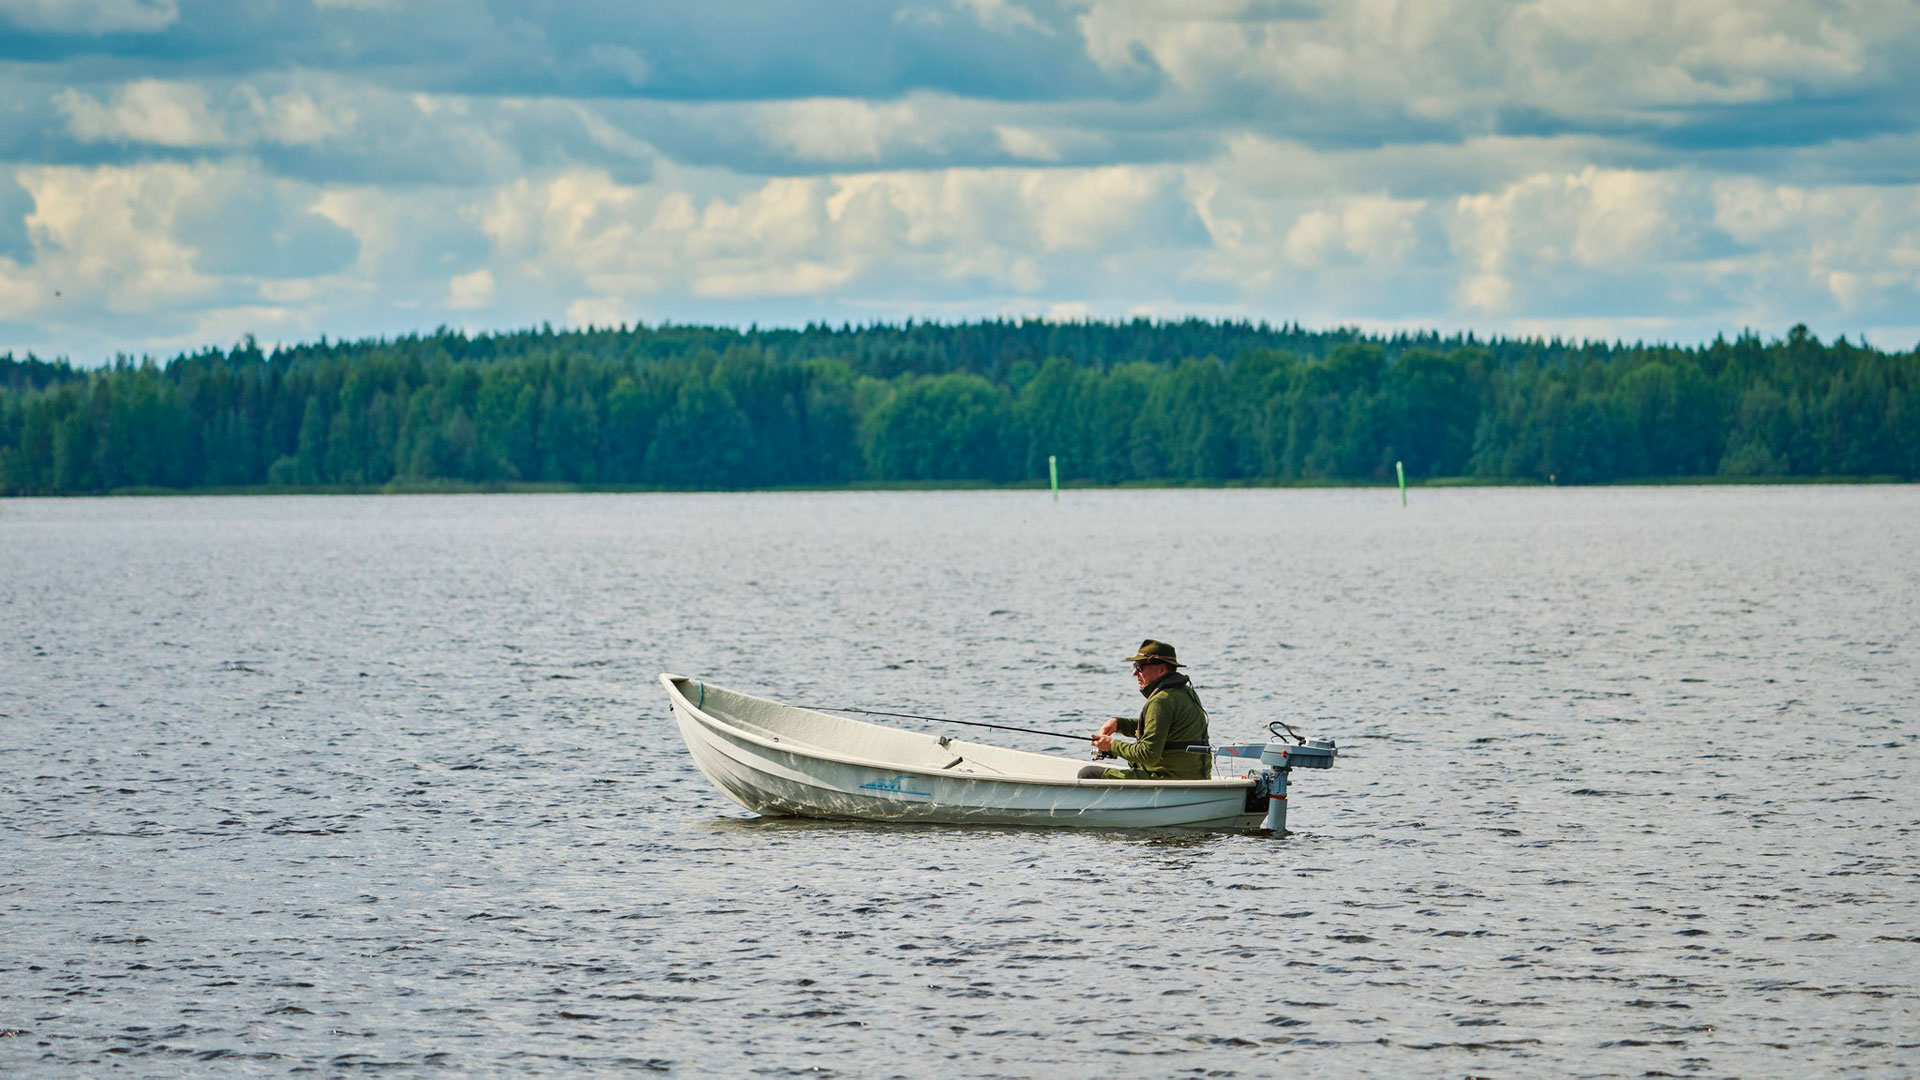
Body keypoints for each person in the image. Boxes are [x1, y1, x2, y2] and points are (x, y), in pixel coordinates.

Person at [1078, 639, 1210, 780]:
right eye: (1135, 666)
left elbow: (1148, 754)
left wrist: (1111, 745)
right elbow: (1160, 727)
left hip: (1166, 778)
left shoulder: (1161, 700)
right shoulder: (1185, 692)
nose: (1135, 672)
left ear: (1162, 669)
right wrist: (1119, 724)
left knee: (1087, 774)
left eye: (1140, 667)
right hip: (1193, 776)